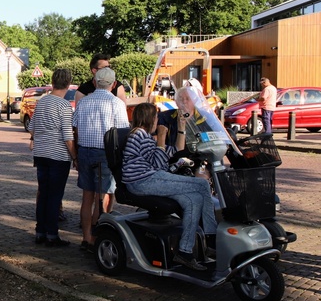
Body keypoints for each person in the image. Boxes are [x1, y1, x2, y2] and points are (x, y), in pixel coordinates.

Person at [122, 102, 218, 271]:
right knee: (202, 184)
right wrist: (161, 137)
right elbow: (158, 164)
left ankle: (185, 252)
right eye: (156, 117)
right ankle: (212, 239)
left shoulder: (144, 137)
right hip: (144, 181)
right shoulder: (138, 135)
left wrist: (181, 127)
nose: (158, 121)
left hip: (150, 179)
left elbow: (177, 150)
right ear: (150, 118)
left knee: (194, 199)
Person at [72, 67, 129, 251]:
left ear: (95, 82)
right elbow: (122, 132)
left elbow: (75, 127)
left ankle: (86, 237)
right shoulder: (116, 103)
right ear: (113, 84)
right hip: (105, 153)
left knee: (87, 196)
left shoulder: (83, 102)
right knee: (102, 196)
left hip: (84, 151)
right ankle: (97, 237)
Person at [29, 69, 77, 247]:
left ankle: (40, 231)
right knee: (55, 196)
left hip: (41, 154)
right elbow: (67, 136)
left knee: (43, 193)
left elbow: (32, 128)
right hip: (58, 156)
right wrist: (75, 157)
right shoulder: (64, 106)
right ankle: (52, 234)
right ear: (68, 84)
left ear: (53, 82)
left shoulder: (41, 102)